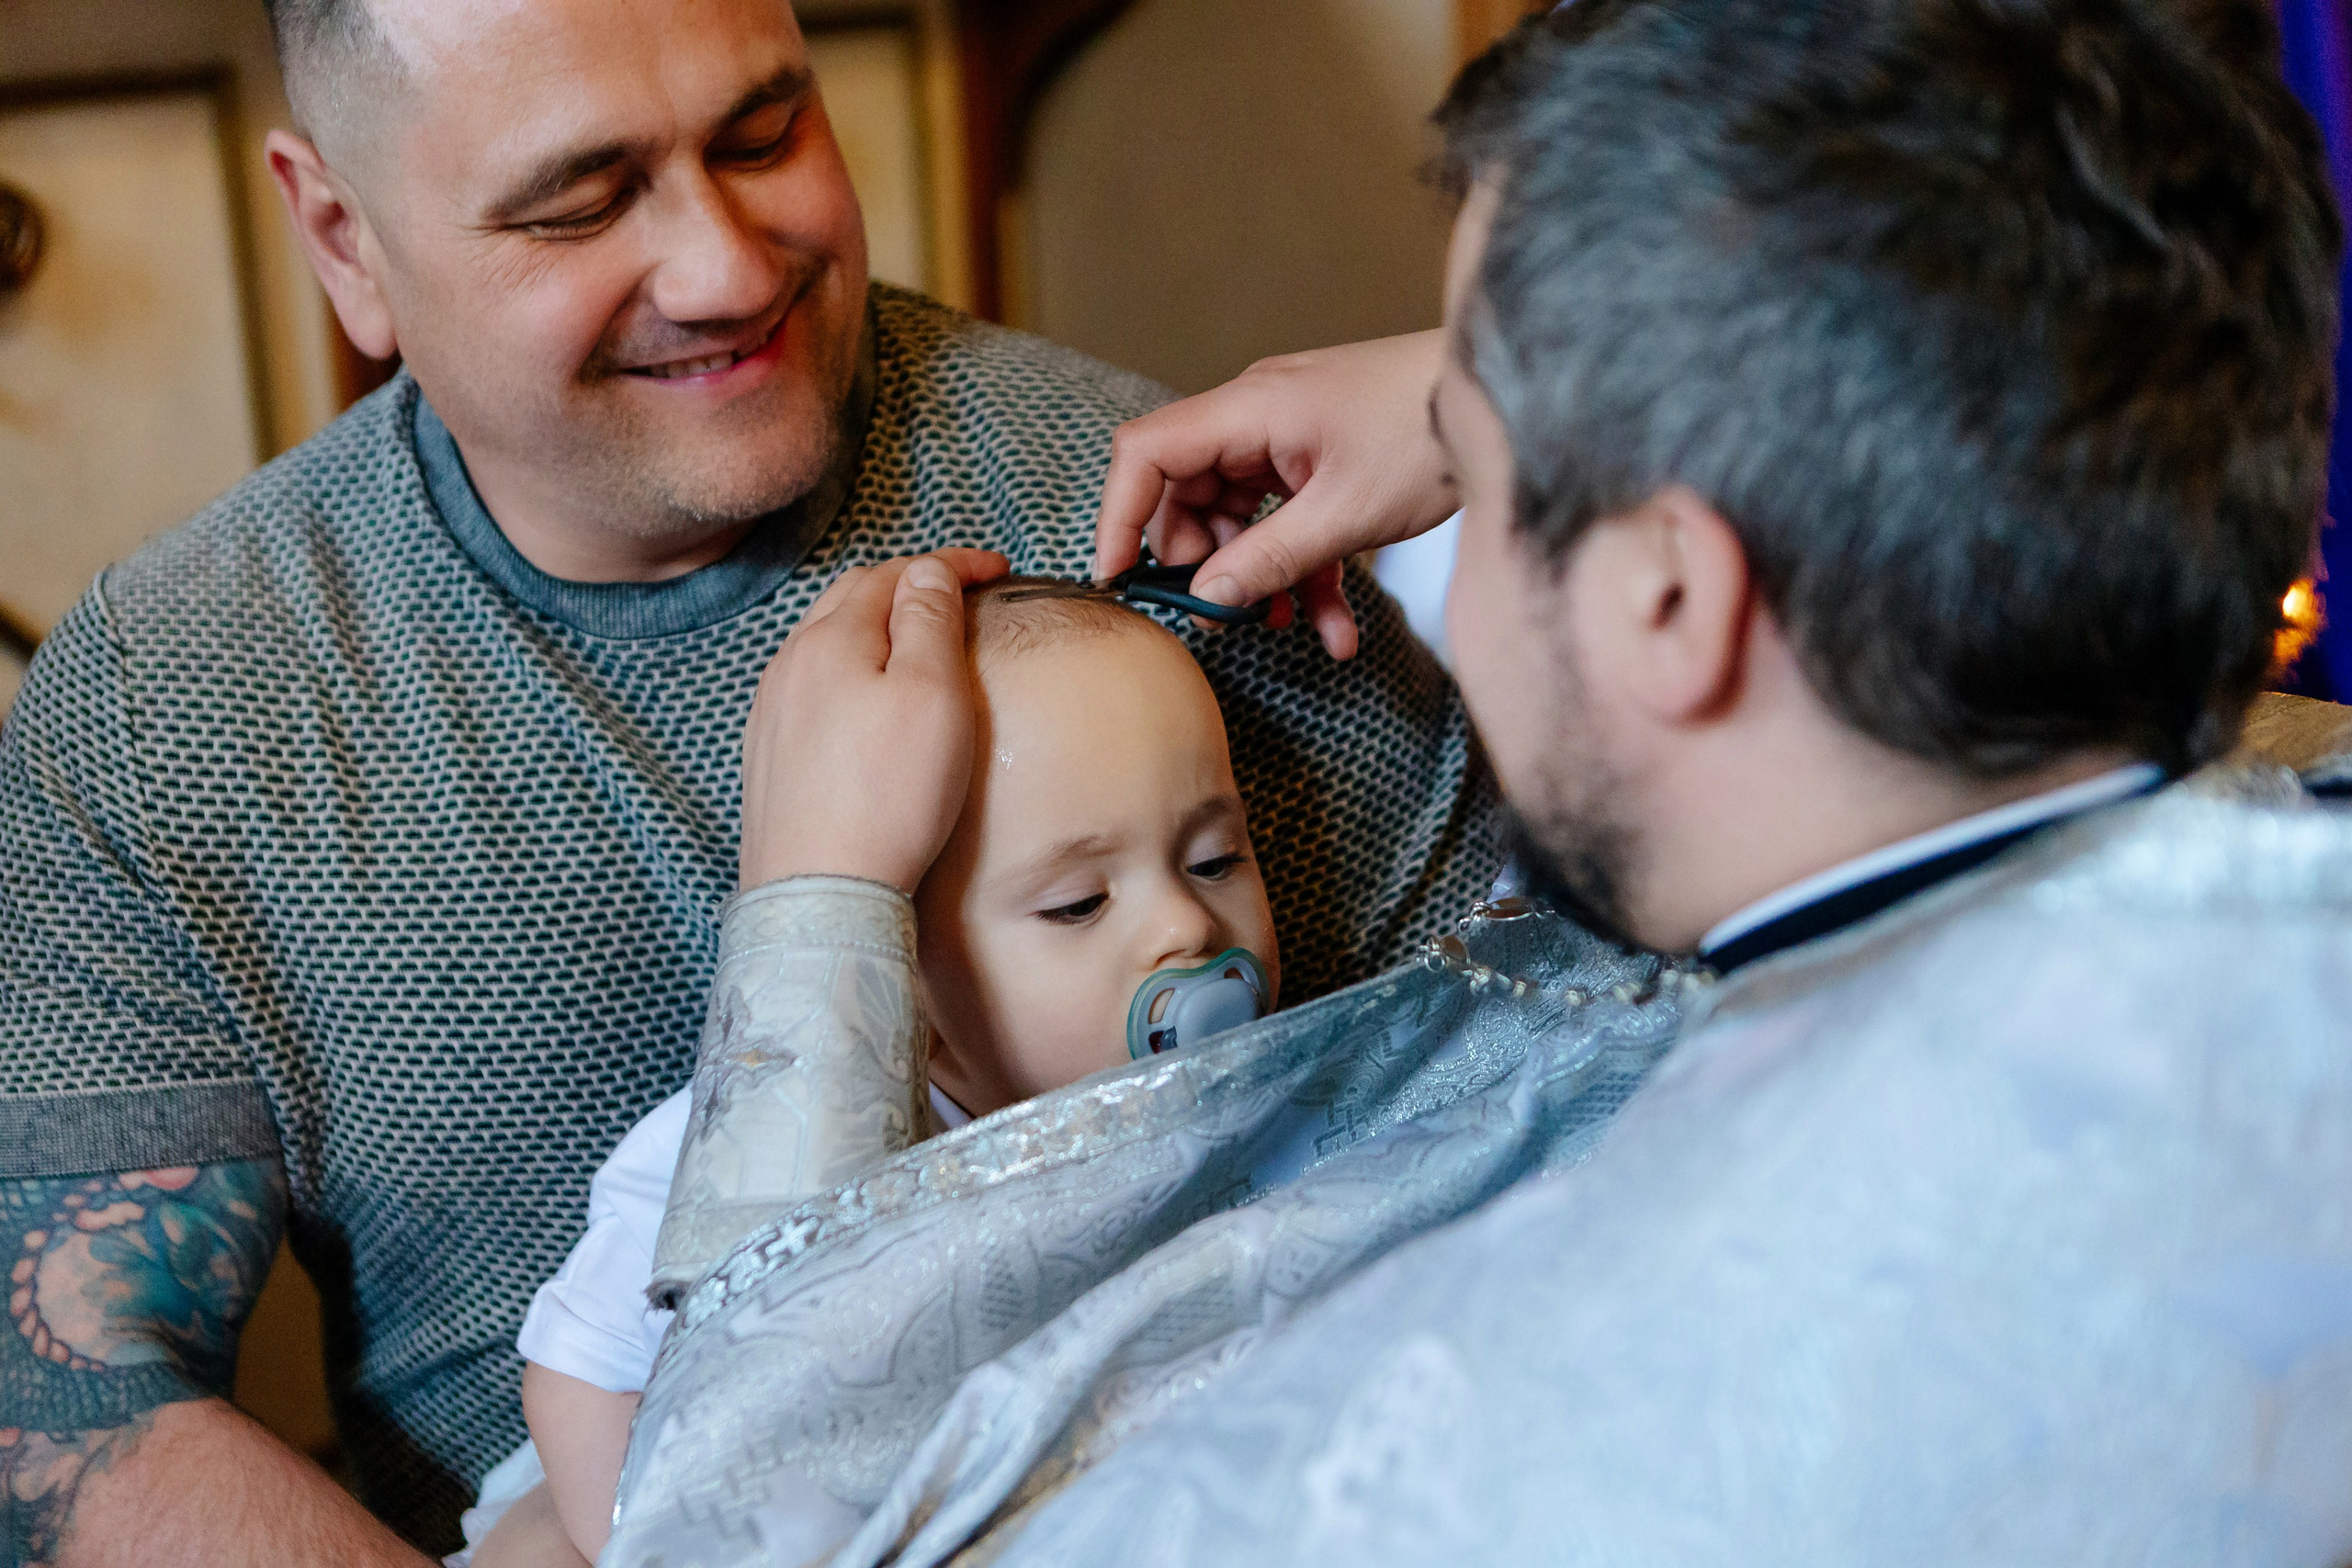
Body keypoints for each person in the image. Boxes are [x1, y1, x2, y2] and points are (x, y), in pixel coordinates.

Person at [594, 2, 2352, 1564]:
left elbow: (738, 1531)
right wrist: (1512, 400)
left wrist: (817, 906)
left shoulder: (1420, 1445)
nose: (1436, 533)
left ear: (1674, 593)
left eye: (1480, 491)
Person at [0, 2, 1494, 1562]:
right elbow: (67, 1394)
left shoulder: (1159, 521)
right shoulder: (170, 703)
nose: (724, 269)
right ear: (341, 236)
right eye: (580, 200)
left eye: (767, 131)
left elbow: (1530, 1098)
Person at [479, 579, 1282, 1565]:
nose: (1185, 927)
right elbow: (580, 1372)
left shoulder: (1253, 1109)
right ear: (912, 989)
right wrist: (646, 1538)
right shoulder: (737, 1138)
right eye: (1077, 903)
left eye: (1214, 858)